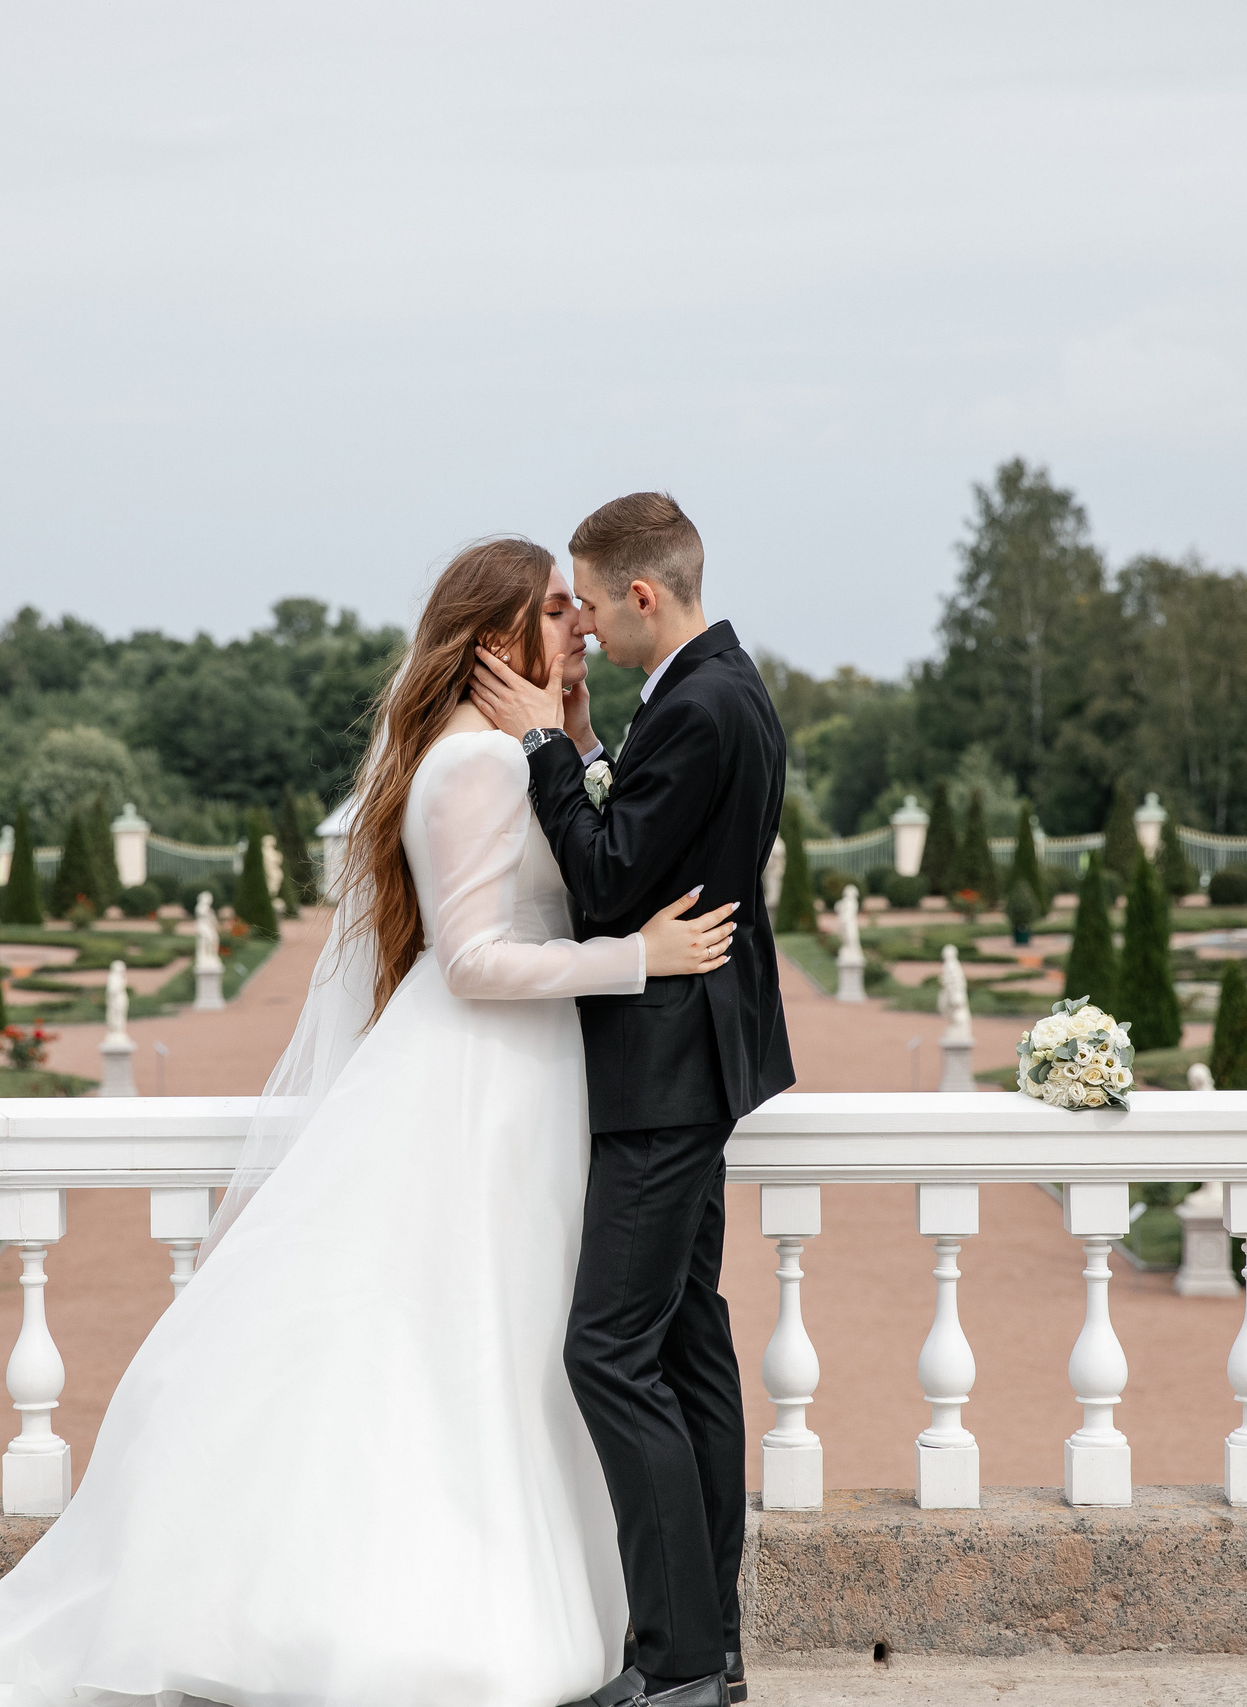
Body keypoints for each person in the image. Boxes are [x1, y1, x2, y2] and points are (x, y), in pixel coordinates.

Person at [0, 537, 737, 1707]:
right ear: (495, 640)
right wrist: (631, 960)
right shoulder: (469, 767)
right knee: (455, 1341)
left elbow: (587, 850)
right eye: (554, 613)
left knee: (511, 1344)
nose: (577, 627)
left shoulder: (509, 752)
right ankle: (445, 1612)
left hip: (526, 1087)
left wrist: (576, 739)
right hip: (479, 1080)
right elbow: (477, 962)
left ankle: (583, 1613)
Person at [472, 491, 793, 1707]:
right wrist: (595, 746)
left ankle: (676, 1662)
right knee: (684, 1346)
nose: (584, 631)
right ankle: (706, 1655)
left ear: (642, 596)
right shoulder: (726, 688)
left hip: (663, 1076)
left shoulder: (701, 707)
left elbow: (609, 885)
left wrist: (547, 752)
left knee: (605, 1351)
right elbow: (652, 839)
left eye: (593, 607)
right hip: (699, 1065)